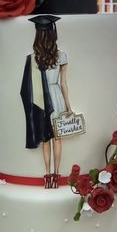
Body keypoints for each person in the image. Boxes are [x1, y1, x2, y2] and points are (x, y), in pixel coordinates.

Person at [21, 15, 73, 188]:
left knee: (45, 140)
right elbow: (63, 83)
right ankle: (57, 175)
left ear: (37, 35)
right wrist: (68, 107)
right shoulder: (62, 56)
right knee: (57, 139)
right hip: (56, 96)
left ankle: (48, 175)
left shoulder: (32, 58)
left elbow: (27, 87)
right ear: (53, 34)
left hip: (40, 100)